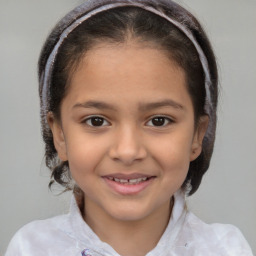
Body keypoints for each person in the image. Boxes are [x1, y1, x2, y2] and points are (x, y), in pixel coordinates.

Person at [5, 0, 253, 255]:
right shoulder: (31, 248)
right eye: (96, 121)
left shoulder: (227, 249)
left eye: (159, 120)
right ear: (59, 134)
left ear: (197, 135)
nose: (127, 151)